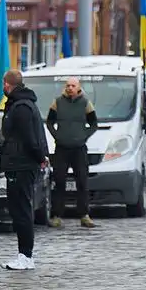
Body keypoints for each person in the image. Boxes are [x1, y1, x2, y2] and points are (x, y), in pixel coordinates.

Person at [0, 69, 48, 270]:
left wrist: (40, 157)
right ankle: (23, 254)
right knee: (18, 210)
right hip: (19, 164)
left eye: (3, 84)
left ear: (7, 84)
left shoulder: (21, 107)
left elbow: (30, 138)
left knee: (22, 210)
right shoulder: (22, 104)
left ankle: (26, 256)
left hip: (22, 165)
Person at [45, 77, 99, 229]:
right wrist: (57, 136)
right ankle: (57, 215)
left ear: (78, 88)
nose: (70, 88)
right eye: (68, 85)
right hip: (61, 148)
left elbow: (94, 124)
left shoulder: (86, 103)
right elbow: (49, 122)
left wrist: (84, 135)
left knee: (82, 181)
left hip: (79, 148)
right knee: (59, 181)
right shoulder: (57, 102)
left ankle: (84, 215)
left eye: (73, 86)